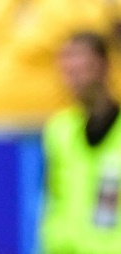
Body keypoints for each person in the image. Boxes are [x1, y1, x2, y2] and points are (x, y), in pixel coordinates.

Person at [41, 32, 121, 252]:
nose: (73, 76)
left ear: (104, 65)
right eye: (67, 69)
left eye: (81, 66)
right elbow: (53, 198)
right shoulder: (59, 131)